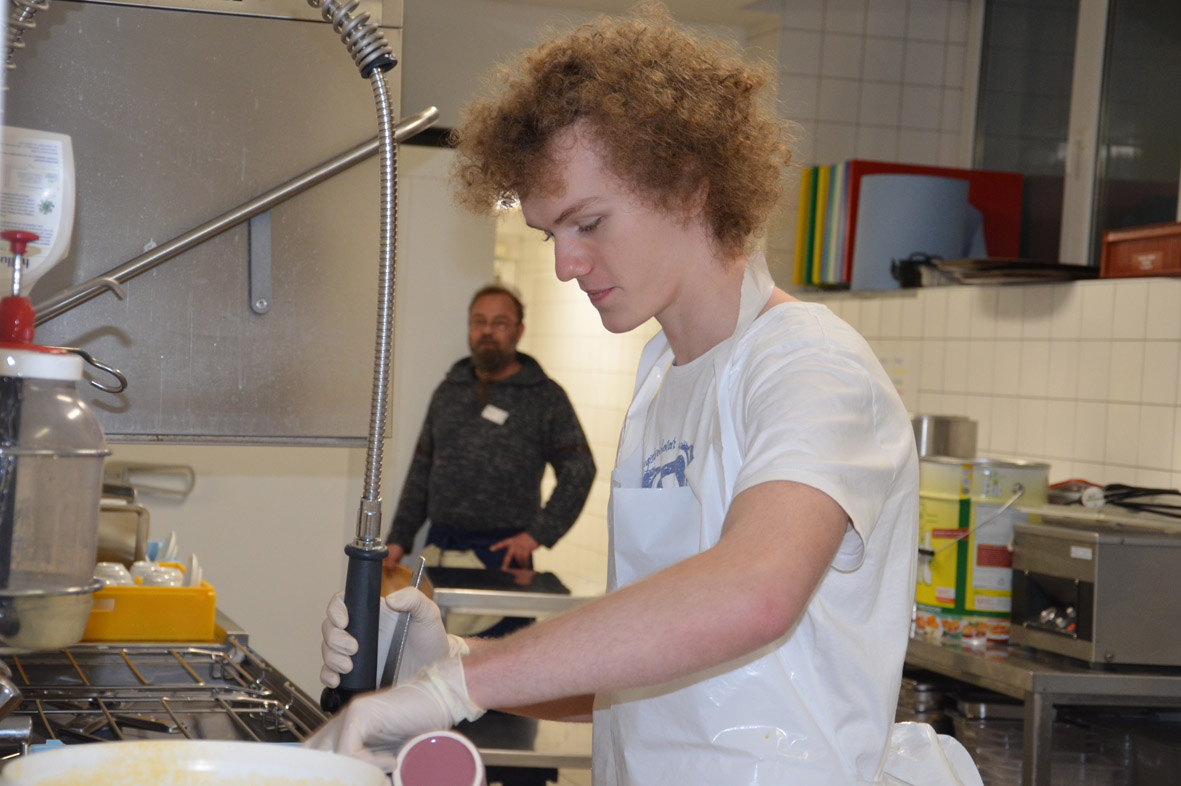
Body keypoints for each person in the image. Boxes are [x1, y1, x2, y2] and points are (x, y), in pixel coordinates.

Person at [309, 6, 981, 785]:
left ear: (689, 187)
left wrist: (458, 685)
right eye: (550, 234)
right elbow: (645, 674)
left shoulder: (811, 367)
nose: (565, 264)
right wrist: (451, 658)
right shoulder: (662, 375)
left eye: (589, 223)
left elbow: (752, 595)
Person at [383, 284, 595, 637]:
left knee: (499, 662)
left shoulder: (545, 397)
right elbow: (421, 471)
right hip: (440, 552)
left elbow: (580, 469)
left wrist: (538, 534)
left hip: (504, 560)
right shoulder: (448, 391)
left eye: (500, 323)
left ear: (519, 331)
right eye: (479, 322)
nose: (487, 331)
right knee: (436, 659)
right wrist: (398, 540)